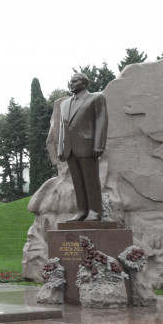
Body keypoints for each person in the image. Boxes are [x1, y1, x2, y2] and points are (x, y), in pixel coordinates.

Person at [57, 72, 108, 221]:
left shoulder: (96, 98)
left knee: (91, 181)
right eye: (70, 81)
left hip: (87, 146)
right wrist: (60, 147)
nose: (70, 83)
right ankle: (81, 211)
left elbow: (101, 121)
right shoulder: (64, 104)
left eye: (74, 81)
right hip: (70, 149)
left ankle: (95, 212)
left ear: (84, 83)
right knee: (77, 182)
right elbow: (62, 127)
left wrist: (99, 144)